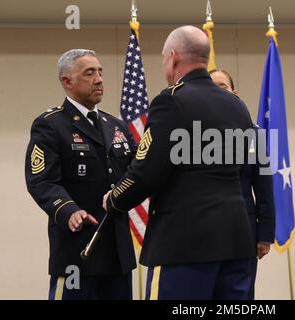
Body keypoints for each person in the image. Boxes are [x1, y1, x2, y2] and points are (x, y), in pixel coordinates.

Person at [104, 25, 255, 300]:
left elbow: (147, 170)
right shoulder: (237, 106)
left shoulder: (172, 102)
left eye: (163, 58)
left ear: (173, 57)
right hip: (237, 238)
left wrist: (115, 199)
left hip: (186, 242)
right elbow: (244, 164)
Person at [25, 49, 136, 300]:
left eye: (100, 72)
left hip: (118, 255)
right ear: (67, 81)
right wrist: (68, 210)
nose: (99, 79)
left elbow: (137, 172)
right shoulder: (51, 125)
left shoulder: (115, 126)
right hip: (77, 253)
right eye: (89, 73)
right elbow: (41, 180)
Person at [210, 69, 275, 300]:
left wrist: (265, 234)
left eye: (223, 86)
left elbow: (265, 186)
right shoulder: (194, 134)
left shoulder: (254, 133)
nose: (217, 91)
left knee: (241, 297)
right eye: (212, 87)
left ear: (234, 94)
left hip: (244, 231)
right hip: (205, 231)